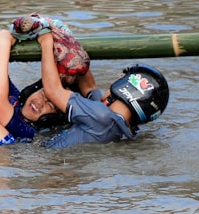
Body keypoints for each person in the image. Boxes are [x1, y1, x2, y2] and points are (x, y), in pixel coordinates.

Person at [35, 31, 169, 148]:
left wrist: (46, 41)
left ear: (125, 87)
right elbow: (89, 87)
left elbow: (53, 91)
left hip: (43, 157)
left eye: (120, 78)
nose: (114, 80)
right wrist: (71, 46)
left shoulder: (101, 116)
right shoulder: (114, 124)